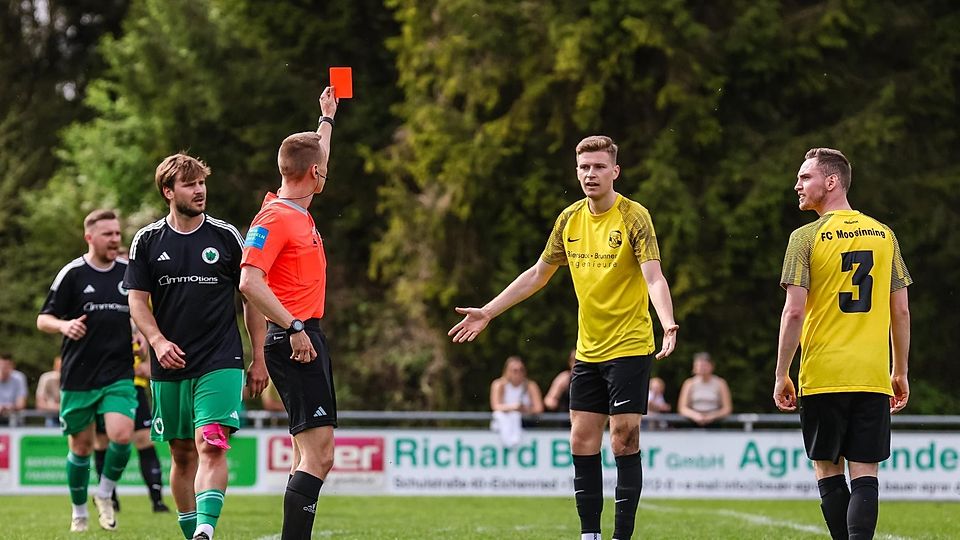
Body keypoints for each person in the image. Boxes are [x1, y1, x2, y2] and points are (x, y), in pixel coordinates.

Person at [449, 135, 679, 540]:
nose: (591, 174)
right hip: (588, 351)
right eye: (584, 167)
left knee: (623, 438)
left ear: (615, 171)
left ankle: (621, 536)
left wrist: (668, 322)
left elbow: (654, 276)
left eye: (599, 167)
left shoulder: (634, 216)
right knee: (581, 440)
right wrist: (488, 311)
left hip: (630, 345)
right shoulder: (569, 219)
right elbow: (538, 275)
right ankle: (589, 534)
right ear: (576, 171)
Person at [125, 153, 268, 540]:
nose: (200, 190)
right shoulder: (147, 240)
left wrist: (259, 357)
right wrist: (157, 341)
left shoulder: (226, 236)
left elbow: (251, 297)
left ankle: (206, 529)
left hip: (221, 359)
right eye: (189, 184)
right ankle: (192, 533)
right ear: (168, 191)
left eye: (202, 182)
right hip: (169, 364)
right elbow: (136, 302)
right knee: (182, 453)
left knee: (212, 445)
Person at [774, 148, 912, 540]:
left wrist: (782, 373)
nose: (797, 185)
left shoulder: (805, 237)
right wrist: (899, 371)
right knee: (866, 473)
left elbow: (794, 313)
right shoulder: (884, 235)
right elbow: (901, 311)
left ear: (832, 181)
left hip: (823, 374)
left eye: (805, 177)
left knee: (828, 471)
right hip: (871, 375)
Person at [238, 86, 338, 540]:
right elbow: (249, 281)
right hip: (295, 339)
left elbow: (318, 158)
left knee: (305, 456)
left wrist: (326, 119)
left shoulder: (296, 208)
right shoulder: (275, 218)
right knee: (320, 456)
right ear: (314, 173)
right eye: (322, 169)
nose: (325, 174)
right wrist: (293, 326)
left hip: (304, 335)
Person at [36, 209, 137, 533]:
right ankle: (79, 512)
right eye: (108, 234)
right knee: (80, 447)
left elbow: (143, 311)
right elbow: (43, 319)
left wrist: (142, 334)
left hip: (118, 372)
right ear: (89, 237)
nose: (115, 239)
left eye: (117, 233)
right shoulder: (73, 273)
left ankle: (104, 493)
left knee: (122, 435)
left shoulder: (129, 272)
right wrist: (64, 325)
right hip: (79, 375)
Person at [92, 333, 170, 513]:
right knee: (102, 442)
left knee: (144, 440)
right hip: (103, 387)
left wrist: (149, 366)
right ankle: (109, 498)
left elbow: (152, 351)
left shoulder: (140, 322)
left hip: (134, 387)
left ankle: (157, 500)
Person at [489, 355, 544, 446]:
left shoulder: (530, 386)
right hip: (505, 424)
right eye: (515, 370)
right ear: (507, 371)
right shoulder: (499, 385)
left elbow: (539, 408)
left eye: (521, 370)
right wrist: (514, 408)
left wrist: (525, 409)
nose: (518, 373)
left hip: (526, 424)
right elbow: (495, 406)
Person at [676, 352, 732, 427]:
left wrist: (712, 416)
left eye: (704, 365)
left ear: (712, 366)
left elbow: (727, 408)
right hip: (692, 422)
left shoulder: (720, 383)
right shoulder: (689, 383)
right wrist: (695, 416)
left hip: (715, 422)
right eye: (699, 366)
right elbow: (682, 408)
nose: (702, 368)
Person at [0, 353, 29, 419]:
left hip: (14, 417)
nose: (3, 369)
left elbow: (21, 404)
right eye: (1, 367)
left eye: (6, 367)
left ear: (12, 366)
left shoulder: (19, 378)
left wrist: (9, 407)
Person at [36, 356, 62, 426]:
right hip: (51, 416)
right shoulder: (46, 378)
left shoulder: (73, 380)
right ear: (55, 367)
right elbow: (40, 404)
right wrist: (59, 407)